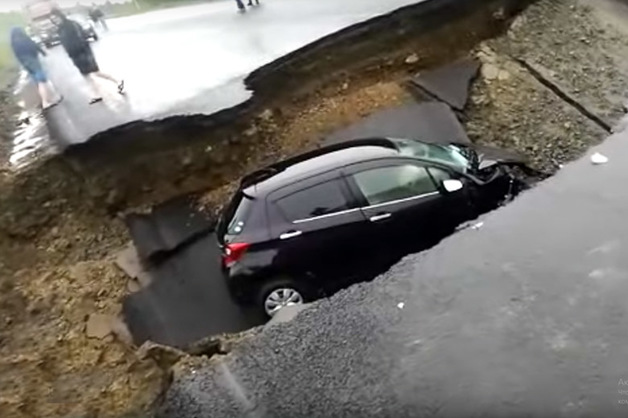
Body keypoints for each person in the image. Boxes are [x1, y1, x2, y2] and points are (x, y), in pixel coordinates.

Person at [50, 9, 123, 105]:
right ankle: (96, 94)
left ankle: (117, 81)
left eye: (56, 18)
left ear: (60, 16)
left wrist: (80, 48)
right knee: (85, 75)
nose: (55, 20)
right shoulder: (60, 29)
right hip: (74, 54)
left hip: (83, 52)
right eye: (53, 19)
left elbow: (81, 37)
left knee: (95, 72)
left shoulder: (71, 25)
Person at [10, 27, 62, 110]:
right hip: (32, 60)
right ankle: (45, 102)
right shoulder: (24, 39)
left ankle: (51, 97)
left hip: (25, 63)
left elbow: (17, 55)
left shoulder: (14, 43)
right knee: (42, 80)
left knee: (39, 81)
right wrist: (42, 52)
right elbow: (33, 46)